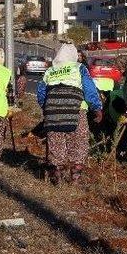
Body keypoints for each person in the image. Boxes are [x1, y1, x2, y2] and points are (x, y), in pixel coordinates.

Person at [37, 43, 102, 184]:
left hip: (53, 112)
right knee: (78, 143)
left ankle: (57, 177)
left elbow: (41, 93)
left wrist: (47, 108)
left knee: (55, 143)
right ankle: (75, 179)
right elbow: (90, 91)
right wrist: (97, 108)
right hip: (77, 111)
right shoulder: (79, 68)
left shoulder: (50, 71)